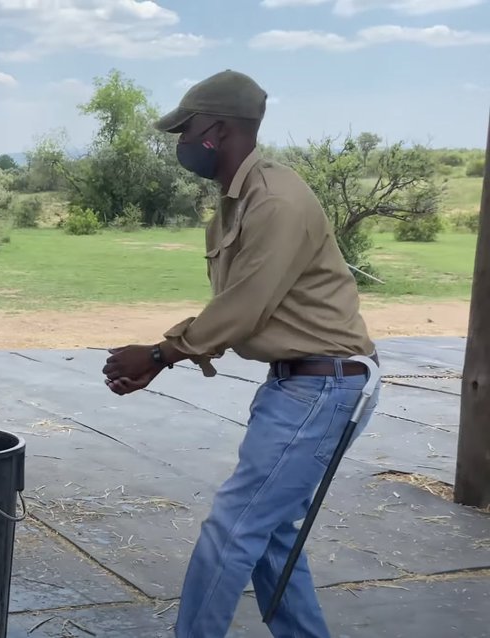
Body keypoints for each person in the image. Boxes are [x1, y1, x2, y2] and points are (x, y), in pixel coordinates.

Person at [100, 69, 382, 637]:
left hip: (323, 387)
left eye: (186, 129)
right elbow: (242, 303)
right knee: (271, 538)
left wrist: (159, 355)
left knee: (230, 534)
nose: (179, 141)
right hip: (299, 385)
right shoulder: (241, 201)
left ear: (218, 130)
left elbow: (245, 304)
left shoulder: (275, 201)